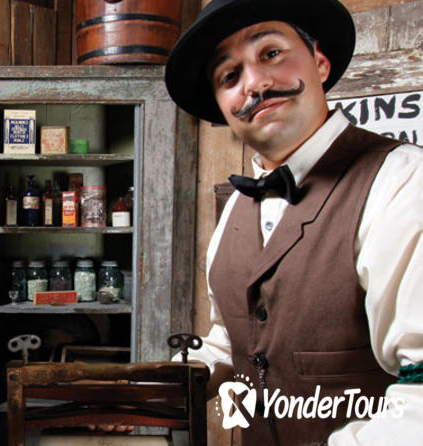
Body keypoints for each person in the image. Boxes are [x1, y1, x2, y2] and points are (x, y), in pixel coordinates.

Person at [164, 0, 422, 444]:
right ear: (222, 108)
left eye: (271, 54)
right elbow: (233, 339)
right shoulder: (235, 210)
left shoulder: (403, 182)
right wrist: (150, 394)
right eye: (229, 76)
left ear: (320, 62)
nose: (255, 83)